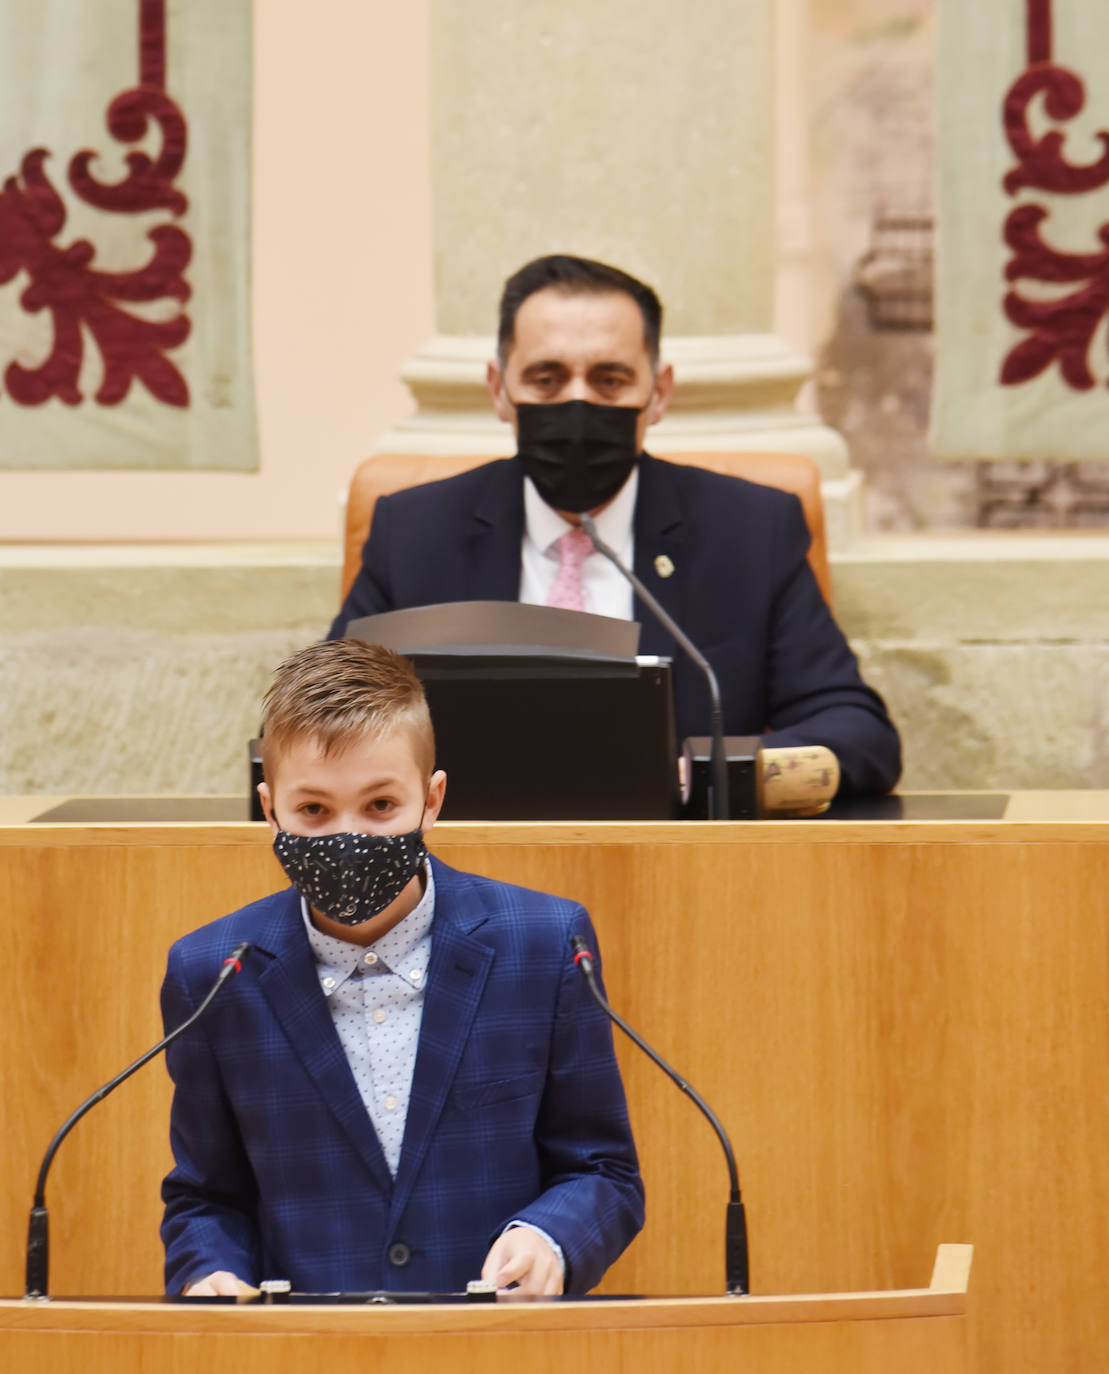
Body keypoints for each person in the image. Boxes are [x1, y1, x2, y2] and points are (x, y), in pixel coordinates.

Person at [160, 639, 643, 1296]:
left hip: (495, 1348)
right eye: (314, 811)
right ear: (269, 810)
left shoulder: (543, 945)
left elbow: (602, 1171)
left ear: (432, 799)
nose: (347, 836)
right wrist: (210, 1272)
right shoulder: (212, 974)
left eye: (380, 806)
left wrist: (548, 1237)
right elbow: (206, 1199)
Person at [330, 254, 901, 797]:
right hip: (465, 869)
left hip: (678, 865)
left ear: (659, 393)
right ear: (499, 390)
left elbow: (857, 733)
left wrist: (701, 775)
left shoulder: (749, 532)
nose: (578, 404)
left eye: (609, 380)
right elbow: (321, 723)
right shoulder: (415, 533)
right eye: (547, 379)